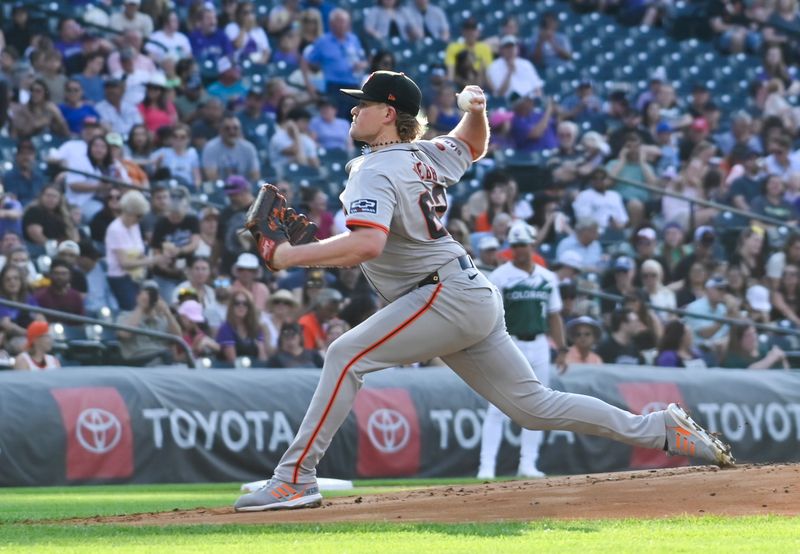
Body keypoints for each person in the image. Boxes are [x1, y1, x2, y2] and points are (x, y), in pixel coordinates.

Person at [233, 72, 733, 512]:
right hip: (465, 292)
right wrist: (477, 112)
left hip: (442, 294)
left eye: (362, 104)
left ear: (388, 113)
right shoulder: (425, 155)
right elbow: (472, 144)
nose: (353, 110)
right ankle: (662, 430)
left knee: (345, 355)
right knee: (534, 407)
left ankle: (293, 478)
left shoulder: (375, 168)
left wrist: (286, 257)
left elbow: (367, 243)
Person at [477, 221, 567, 480]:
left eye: (523, 245)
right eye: (515, 246)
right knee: (497, 405)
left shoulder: (547, 277)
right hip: (509, 342)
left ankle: (528, 463)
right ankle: (487, 466)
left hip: (539, 343)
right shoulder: (501, 276)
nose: (519, 250)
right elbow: (490, 313)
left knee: (539, 405)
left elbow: (554, 315)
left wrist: (561, 348)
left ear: (532, 244)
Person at [117, 280, 182, 366]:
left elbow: (178, 338)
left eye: (154, 295)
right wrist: (140, 307)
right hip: (139, 362)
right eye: (148, 293)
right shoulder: (125, 316)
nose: (151, 297)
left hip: (162, 360)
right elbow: (124, 334)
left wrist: (167, 313)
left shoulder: (162, 319)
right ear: (138, 296)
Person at [216, 289, 268, 363]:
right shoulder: (225, 328)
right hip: (232, 372)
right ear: (231, 307)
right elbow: (232, 361)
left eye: (245, 303)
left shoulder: (256, 328)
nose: (241, 306)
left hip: (255, 370)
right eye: (237, 303)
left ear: (250, 308)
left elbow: (262, 358)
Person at [722, 323, 789, 370]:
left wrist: (781, 359)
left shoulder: (762, 347)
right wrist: (771, 358)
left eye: (754, 333)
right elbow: (747, 375)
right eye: (748, 335)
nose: (754, 337)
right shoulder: (732, 359)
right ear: (738, 340)